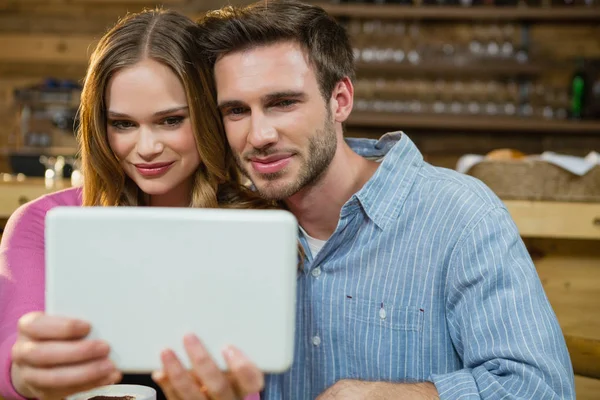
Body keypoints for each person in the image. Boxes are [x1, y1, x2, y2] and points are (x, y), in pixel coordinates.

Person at [152, 1, 576, 399]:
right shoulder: (229, 223)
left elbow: (542, 388)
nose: (258, 136)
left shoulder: (459, 215)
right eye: (236, 111)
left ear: (340, 100)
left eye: (282, 103)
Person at [0, 9, 269, 400]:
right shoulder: (45, 223)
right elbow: (13, 345)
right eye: (123, 124)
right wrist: (24, 373)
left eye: (171, 120)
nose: (146, 149)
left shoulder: (257, 225)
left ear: (209, 115)